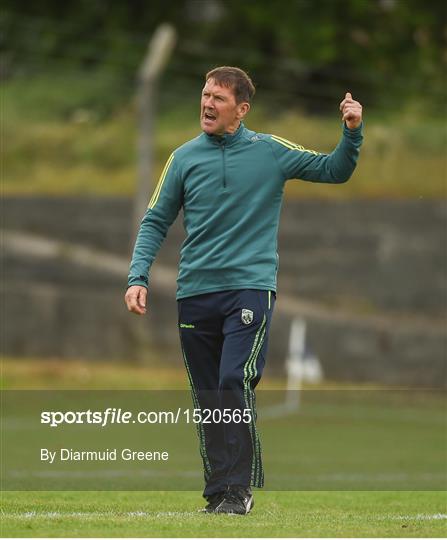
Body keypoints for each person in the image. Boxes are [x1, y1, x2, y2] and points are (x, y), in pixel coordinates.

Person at [125, 66, 363, 515]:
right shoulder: (182, 159)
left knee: (234, 380)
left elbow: (334, 170)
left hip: (249, 290)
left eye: (218, 97)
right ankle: (219, 491)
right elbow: (156, 219)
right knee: (208, 394)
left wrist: (351, 132)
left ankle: (238, 489)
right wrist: (137, 277)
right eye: (204, 94)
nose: (207, 103)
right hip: (195, 292)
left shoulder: (270, 151)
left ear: (241, 109)